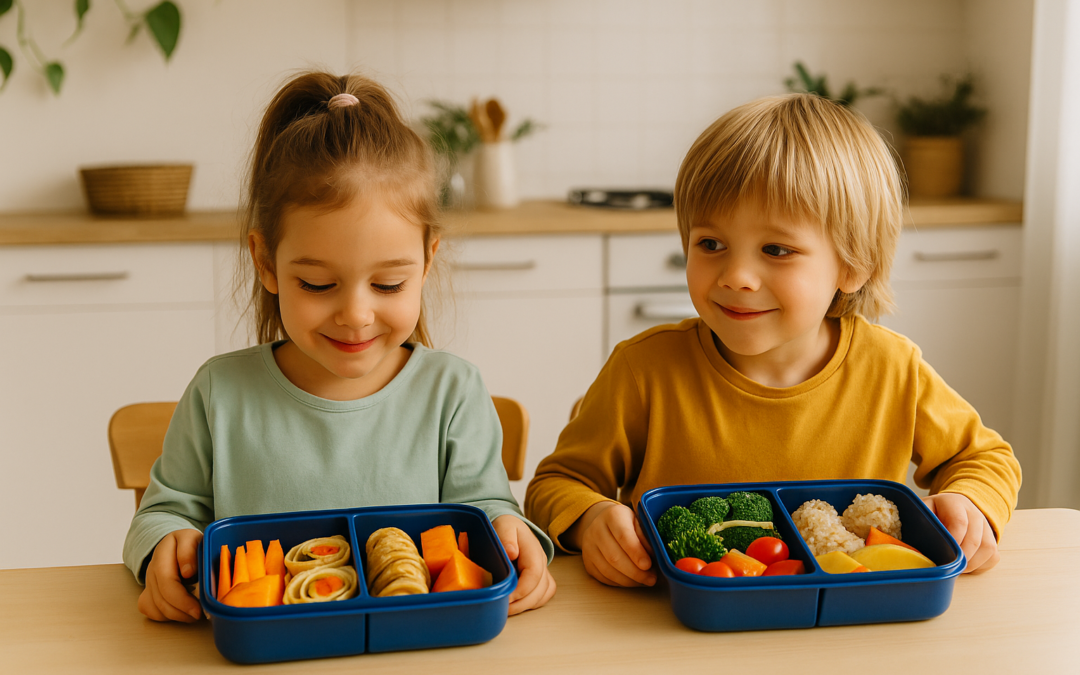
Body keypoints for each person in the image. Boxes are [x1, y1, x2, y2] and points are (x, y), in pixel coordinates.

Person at [524, 93, 1021, 588]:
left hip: (853, 625)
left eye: (776, 249)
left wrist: (971, 504)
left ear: (853, 265)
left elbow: (986, 459)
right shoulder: (643, 368)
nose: (737, 275)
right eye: (711, 244)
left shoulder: (893, 367)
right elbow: (556, 484)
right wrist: (589, 519)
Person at [124, 71, 555, 622]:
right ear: (265, 263)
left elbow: (486, 511)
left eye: (388, 284)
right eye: (319, 284)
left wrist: (516, 536)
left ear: (427, 261)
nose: (355, 314)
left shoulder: (453, 391)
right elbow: (164, 513)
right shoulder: (220, 392)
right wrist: (166, 545)